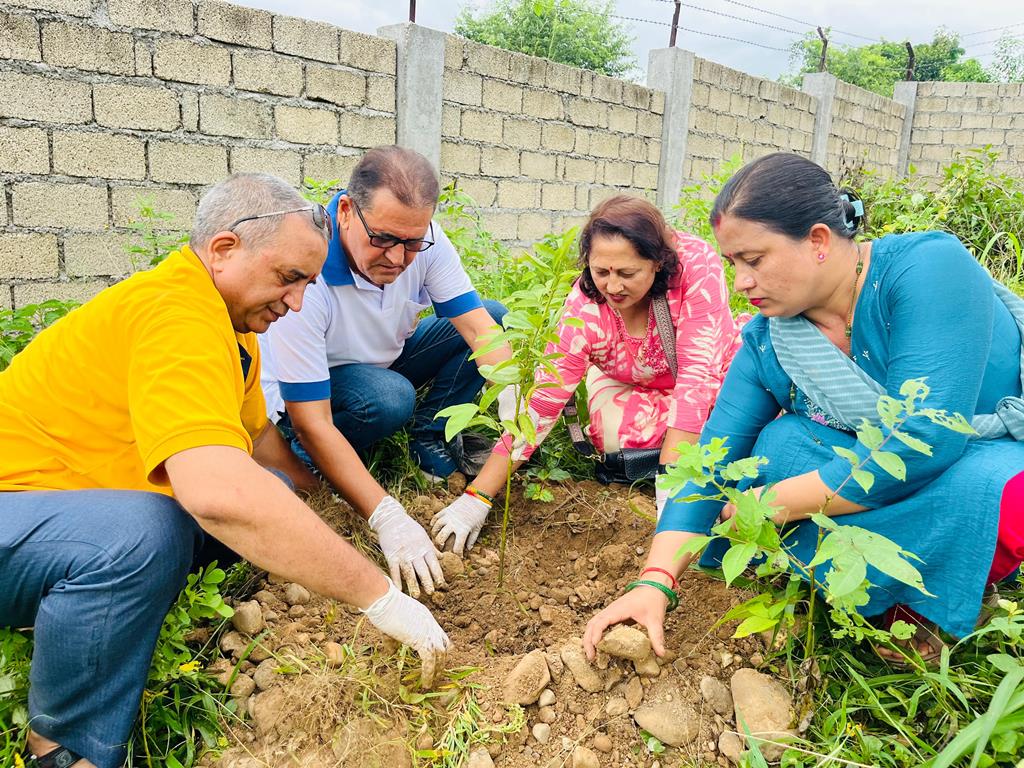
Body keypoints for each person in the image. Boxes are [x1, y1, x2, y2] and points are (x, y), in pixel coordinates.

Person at [0, 173, 449, 768]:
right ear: (223, 249)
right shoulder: (174, 314)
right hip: (16, 511)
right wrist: (379, 597)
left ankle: (107, 600)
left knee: (271, 490)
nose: (296, 303)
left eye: (307, 285)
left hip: (66, 510)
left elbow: (259, 439)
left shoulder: (231, 328)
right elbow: (216, 491)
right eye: (288, 278)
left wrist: (324, 506)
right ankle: (66, 748)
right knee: (141, 532)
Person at [583, 152, 1024, 663]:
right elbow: (711, 460)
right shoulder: (772, 338)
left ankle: (927, 602)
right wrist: (655, 582)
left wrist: (772, 504)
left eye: (754, 260)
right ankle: (868, 587)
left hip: (989, 450)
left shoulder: (926, 269)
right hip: (878, 469)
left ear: (817, 240)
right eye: (733, 264)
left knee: (1002, 494)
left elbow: (922, 437)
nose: (741, 282)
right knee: (780, 445)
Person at [259, 146, 513, 597]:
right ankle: (306, 461)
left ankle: (427, 433)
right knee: (388, 396)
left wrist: (513, 395)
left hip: (383, 361)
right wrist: (387, 515)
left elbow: (478, 329)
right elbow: (310, 419)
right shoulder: (309, 270)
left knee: (493, 316)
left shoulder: (423, 240)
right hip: (310, 394)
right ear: (345, 212)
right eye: (383, 239)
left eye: (412, 243)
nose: (397, 258)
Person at [431, 194, 741, 556]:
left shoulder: (695, 266)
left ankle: (689, 463)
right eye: (601, 272)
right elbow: (545, 402)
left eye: (627, 274)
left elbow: (697, 378)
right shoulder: (585, 306)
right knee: (616, 439)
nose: (613, 287)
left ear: (657, 262)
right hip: (635, 382)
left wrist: (673, 488)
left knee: (731, 429)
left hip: (712, 372)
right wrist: (477, 496)